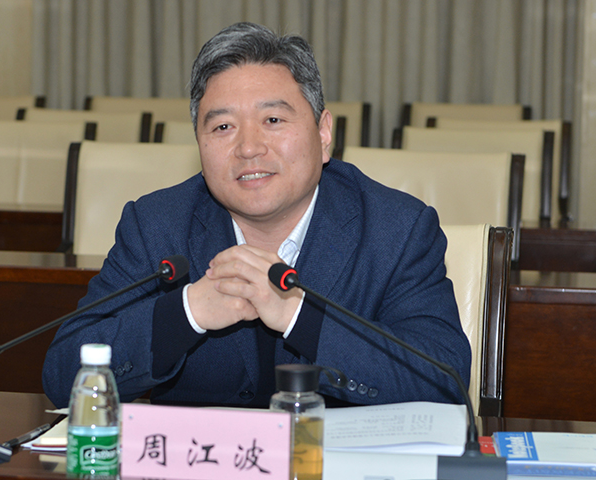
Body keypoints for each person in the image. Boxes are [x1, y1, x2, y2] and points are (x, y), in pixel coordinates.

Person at [42, 22, 470, 409]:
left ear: (324, 134)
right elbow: (64, 376)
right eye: (223, 127)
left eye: (273, 119)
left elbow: (445, 379)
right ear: (199, 143)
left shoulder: (397, 229)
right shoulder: (156, 224)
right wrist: (188, 311)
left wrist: (298, 316)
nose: (248, 147)